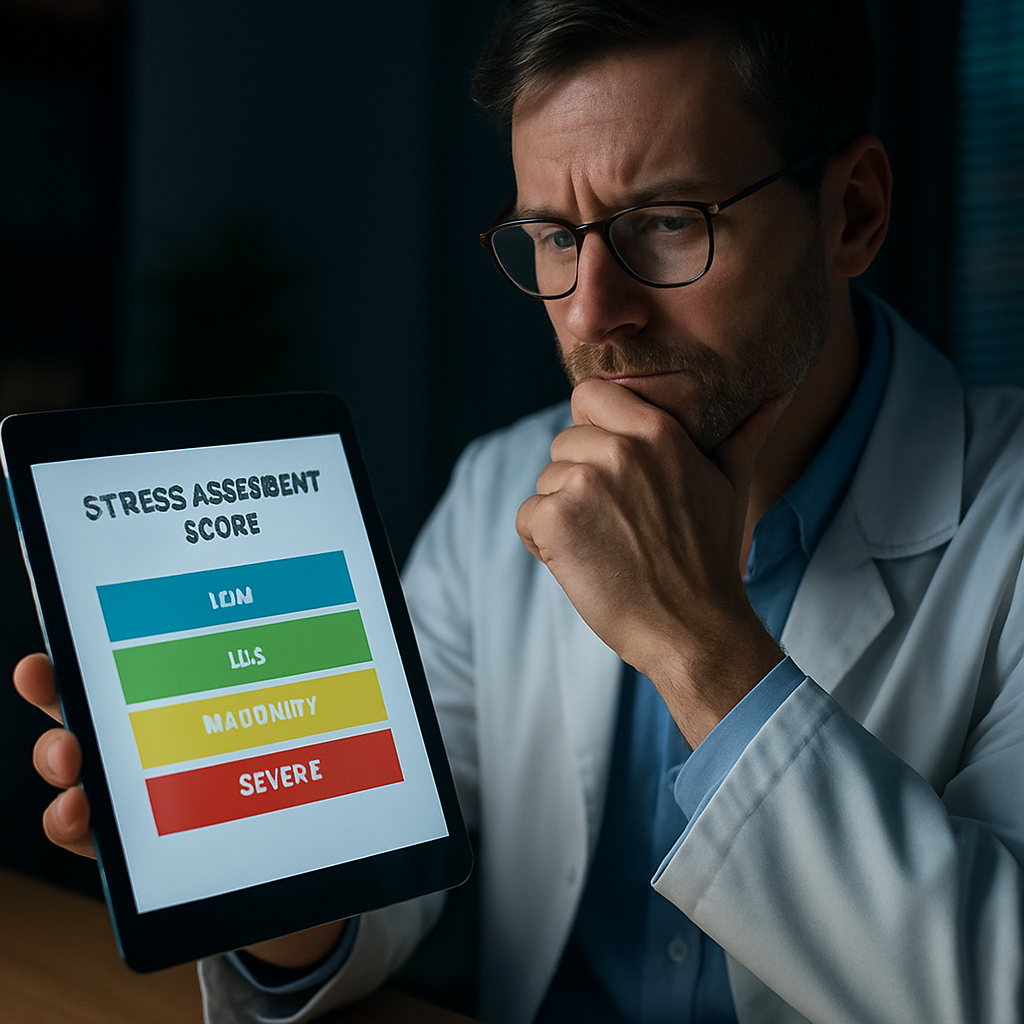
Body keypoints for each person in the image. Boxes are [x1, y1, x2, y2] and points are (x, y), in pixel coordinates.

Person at [15, 1, 1024, 1021]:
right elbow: (381, 878)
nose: (589, 312)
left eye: (668, 223)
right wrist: (254, 855)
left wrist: (698, 645)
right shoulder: (500, 486)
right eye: (551, 237)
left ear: (851, 211)